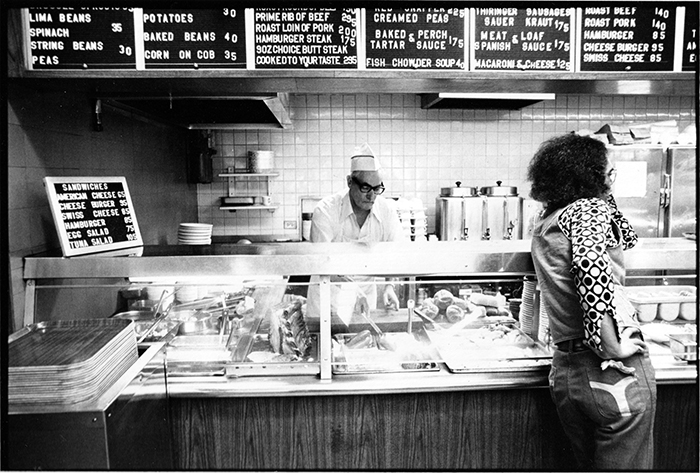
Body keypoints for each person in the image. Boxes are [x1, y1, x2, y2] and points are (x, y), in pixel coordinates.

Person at [527, 133, 657, 471]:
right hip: (609, 372)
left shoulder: (547, 220)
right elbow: (590, 269)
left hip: (569, 372)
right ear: (590, 176)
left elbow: (628, 237)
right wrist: (610, 346)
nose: (611, 180)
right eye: (608, 173)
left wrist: (604, 190)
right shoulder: (587, 210)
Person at [307, 144, 407, 318]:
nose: (372, 196)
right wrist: (352, 289)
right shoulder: (325, 211)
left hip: (365, 301)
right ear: (349, 182)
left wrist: (390, 286)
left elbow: (396, 253)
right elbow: (323, 262)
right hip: (327, 300)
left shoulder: (386, 211)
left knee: (361, 343)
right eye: (366, 188)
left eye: (377, 189)